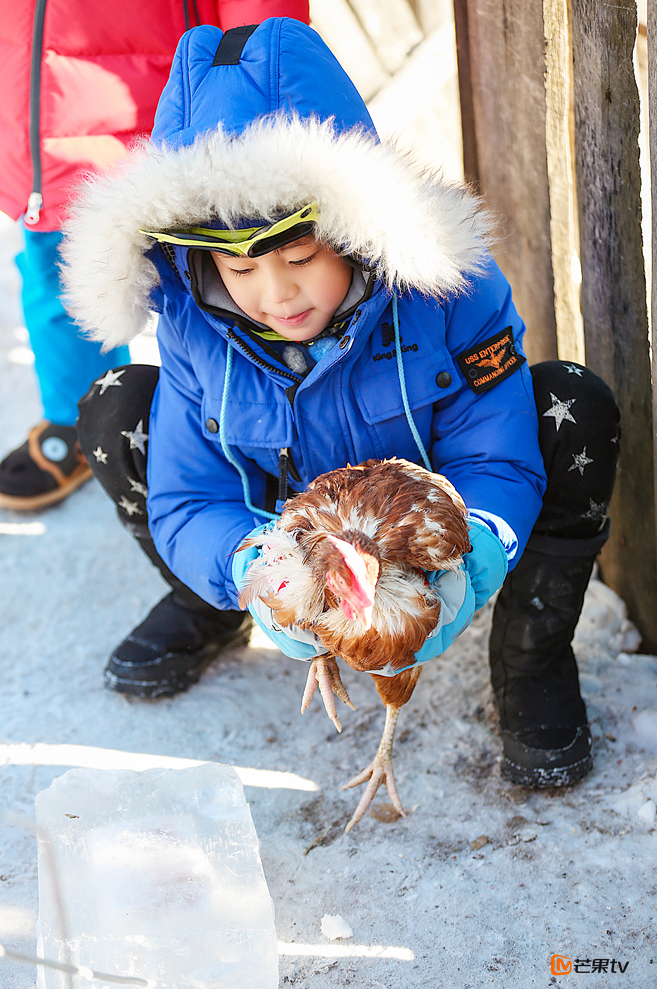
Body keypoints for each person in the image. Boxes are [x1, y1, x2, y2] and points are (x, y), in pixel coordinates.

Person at [64, 18, 619, 788]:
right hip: (284, 538)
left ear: (355, 230)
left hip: (414, 538)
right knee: (116, 409)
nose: (274, 293)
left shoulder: (444, 292)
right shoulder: (194, 322)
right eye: (238, 269)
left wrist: (476, 552)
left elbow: (494, 450)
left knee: (571, 404)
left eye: (297, 258)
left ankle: (530, 654)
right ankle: (214, 605)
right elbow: (190, 494)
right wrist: (253, 571)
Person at [0, 0, 308, 511]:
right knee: (61, 273)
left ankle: (265, 418)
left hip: (179, 97)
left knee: (221, 272)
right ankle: (75, 418)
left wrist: (266, 63)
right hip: (38, 108)